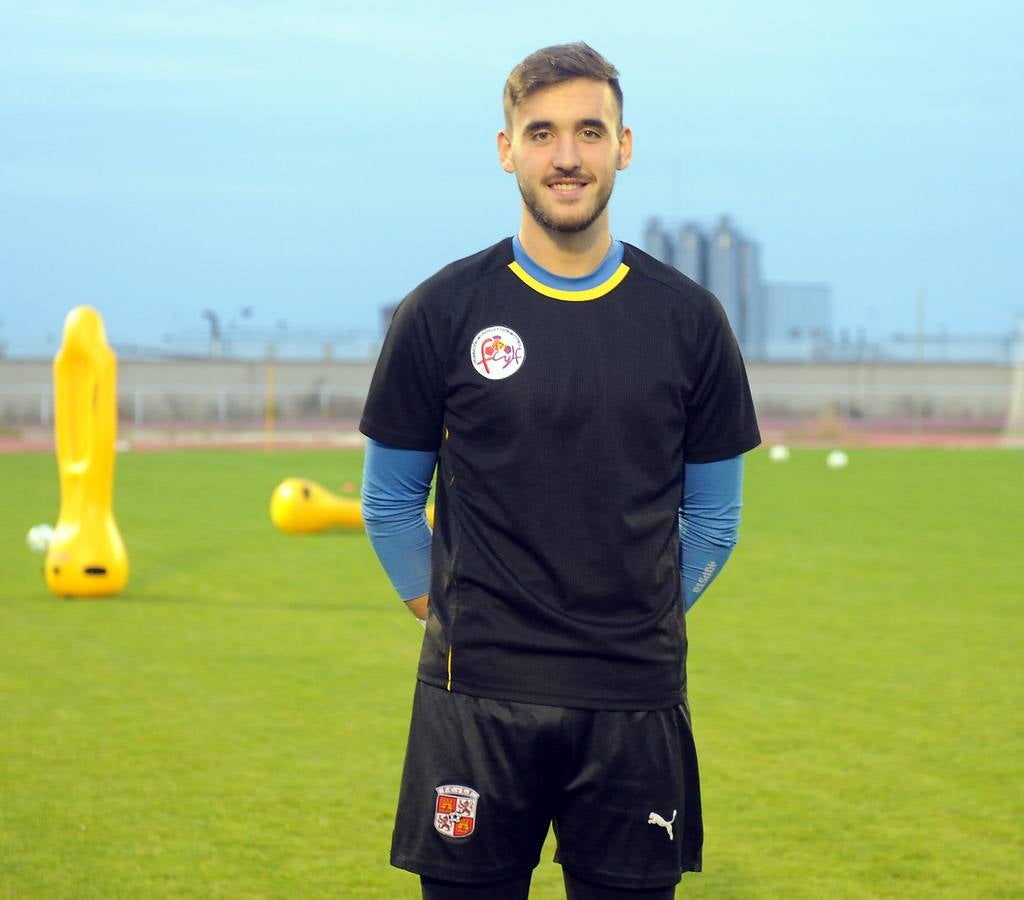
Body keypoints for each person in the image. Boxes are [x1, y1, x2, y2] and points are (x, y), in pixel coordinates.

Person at [359, 42, 760, 900]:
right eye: (542, 133)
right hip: (475, 702)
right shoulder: (442, 310)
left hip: (633, 701)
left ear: (624, 144)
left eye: (589, 130)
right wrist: (456, 616)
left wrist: (630, 618)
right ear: (507, 149)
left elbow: (716, 517)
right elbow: (390, 500)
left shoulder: (689, 321)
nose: (567, 156)